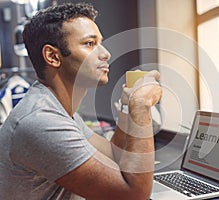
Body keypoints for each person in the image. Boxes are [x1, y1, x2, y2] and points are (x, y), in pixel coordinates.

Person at [0, 2, 162, 200]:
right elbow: (134, 195)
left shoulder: (58, 111)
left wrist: (128, 107)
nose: (105, 53)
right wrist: (141, 106)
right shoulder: (41, 122)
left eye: (100, 43)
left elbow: (112, 155)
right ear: (53, 56)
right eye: (90, 44)